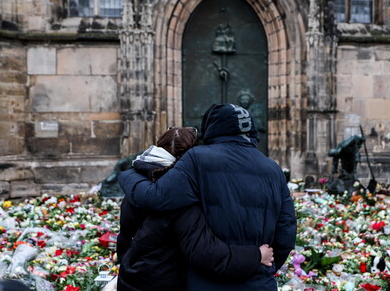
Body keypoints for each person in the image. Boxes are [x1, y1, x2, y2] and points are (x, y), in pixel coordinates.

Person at [119, 104, 297, 291]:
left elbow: (155, 198)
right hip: (259, 280)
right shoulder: (273, 168)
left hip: (205, 280)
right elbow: (287, 228)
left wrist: (129, 174)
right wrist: (265, 266)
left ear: (211, 127)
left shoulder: (198, 158)